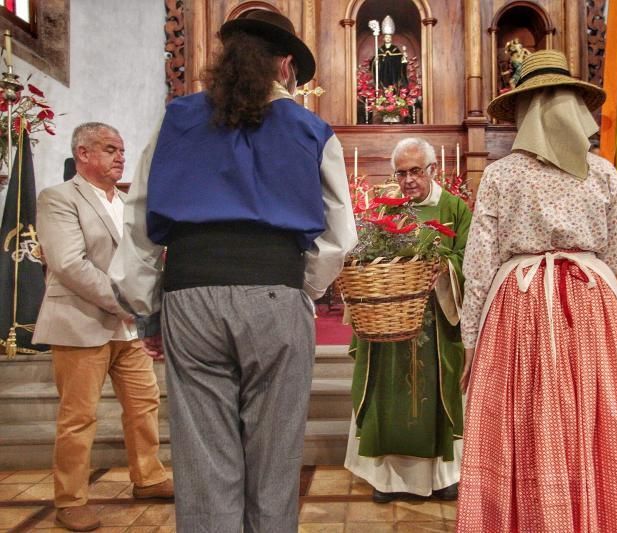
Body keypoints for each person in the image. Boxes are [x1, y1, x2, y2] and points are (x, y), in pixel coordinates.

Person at [109, 10, 357, 533]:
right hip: (275, 294)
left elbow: (139, 221)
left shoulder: (176, 118)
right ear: (285, 65)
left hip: (191, 293)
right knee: (273, 459)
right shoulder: (312, 130)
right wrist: (301, 286)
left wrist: (147, 307)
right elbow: (339, 237)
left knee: (203, 458)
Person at [456, 50, 617, 531]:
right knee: (599, 419)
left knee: (528, 421)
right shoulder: (602, 173)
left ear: (523, 110)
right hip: (592, 303)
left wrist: (470, 340)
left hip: (520, 301)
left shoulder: (500, 174)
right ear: (575, 106)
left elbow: (478, 267)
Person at [33, 122, 172, 532]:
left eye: (121, 150)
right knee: (78, 417)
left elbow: (140, 260)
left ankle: (147, 478)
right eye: (110, 149)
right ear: (83, 154)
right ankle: (71, 498)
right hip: (80, 323)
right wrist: (129, 304)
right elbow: (69, 264)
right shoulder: (59, 198)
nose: (120, 157)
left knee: (144, 404)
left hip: (127, 330)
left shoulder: (128, 201)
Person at [344, 137, 472, 503]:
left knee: (437, 392)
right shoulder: (386, 212)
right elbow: (366, 259)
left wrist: (443, 270)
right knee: (388, 394)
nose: (408, 180)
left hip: (436, 320)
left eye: (416, 171)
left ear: (433, 170)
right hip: (389, 323)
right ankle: (387, 479)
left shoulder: (455, 208)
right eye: (401, 173)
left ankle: (444, 475)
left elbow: (471, 259)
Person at [373, 15, 407, 88]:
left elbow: (401, 61)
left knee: (393, 87)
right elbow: (374, 63)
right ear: (384, 39)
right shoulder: (380, 50)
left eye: (389, 37)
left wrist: (403, 59)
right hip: (383, 74)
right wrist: (375, 61)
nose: (388, 38)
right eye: (386, 37)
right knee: (383, 87)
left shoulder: (395, 49)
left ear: (391, 39)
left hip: (393, 74)